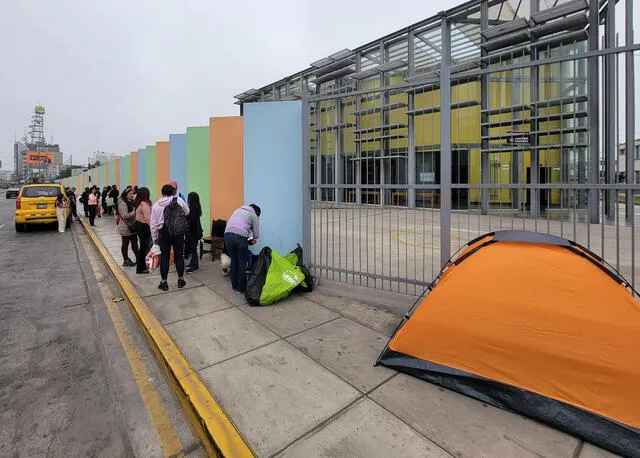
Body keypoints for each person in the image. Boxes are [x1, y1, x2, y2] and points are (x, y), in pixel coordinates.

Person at [151, 184, 190, 291]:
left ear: (162, 193)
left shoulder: (156, 205)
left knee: (164, 257)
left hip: (163, 233)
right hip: (178, 233)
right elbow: (187, 212)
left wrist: (154, 238)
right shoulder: (178, 200)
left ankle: (164, 282)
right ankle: (180, 280)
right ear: (173, 192)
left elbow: (153, 224)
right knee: (179, 256)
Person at [224, 204, 261, 293]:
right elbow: (256, 235)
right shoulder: (253, 215)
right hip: (240, 237)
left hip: (227, 235)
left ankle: (234, 285)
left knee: (234, 261)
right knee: (242, 262)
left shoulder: (237, 210)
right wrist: (251, 236)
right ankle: (241, 288)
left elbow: (233, 226)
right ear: (257, 212)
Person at [117, 187, 138, 267]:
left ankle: (138, 258)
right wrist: (135, 212)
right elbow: (124, 215)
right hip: (126, 227)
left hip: (132, 227)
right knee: (125, 244)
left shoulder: (131, 201)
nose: (132, 195)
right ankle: (125, 260)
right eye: (130, 194)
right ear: (125, 195)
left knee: (135, 243)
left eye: (133, 193)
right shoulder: (122, 203)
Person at [133, 187, 152, 274]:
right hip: (144, 227)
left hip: (138, 225)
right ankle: (141, 268)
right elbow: (148, 218)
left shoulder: (138, 203)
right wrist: (152, 228)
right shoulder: (145, 203)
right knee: (144, 248)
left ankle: (140, 267)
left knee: (142, 247)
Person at [186, 192, 203, 273]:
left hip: (193, 232)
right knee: (193, 248)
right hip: (195, 231)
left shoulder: (192, 208)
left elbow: (191, 221)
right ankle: (192, 263)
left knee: (193, 249)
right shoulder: (196, 207)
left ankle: (194, 266)